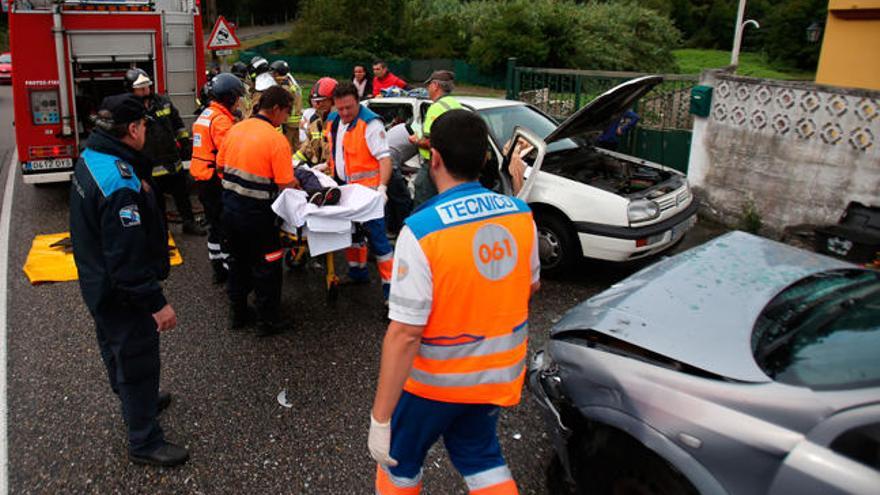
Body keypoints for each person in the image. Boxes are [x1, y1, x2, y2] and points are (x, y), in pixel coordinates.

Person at [368, 109, 540, 494]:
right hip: (496, 375)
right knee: (481, 457)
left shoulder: (422, 231)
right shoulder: (521, 215)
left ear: (435, 159)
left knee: (397, 464)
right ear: (485, 158)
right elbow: (530, 286)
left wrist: (381, 416)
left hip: (434, 384)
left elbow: (405, 334)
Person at [69, 94, 189, 467]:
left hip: (97, 282)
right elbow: (127, 261)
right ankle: (144, 440)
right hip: (122, 294)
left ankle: (136, 402)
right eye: (145, 126)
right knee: (138, 360)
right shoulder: (119, 184)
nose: (147, 132)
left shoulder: (92, 155)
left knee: (114, 347)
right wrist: (157, 303)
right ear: (133, 129)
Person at [218, 85, 300, 336]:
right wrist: (297, 182)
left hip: (230, 209)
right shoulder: (276, 140)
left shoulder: (235, 129)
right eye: (286, 112)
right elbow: (285, 183)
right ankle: (268, 321)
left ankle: (238, 313)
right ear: (276, 109)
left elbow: (220, 166)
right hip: (258, 216)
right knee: (267, 265)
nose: (286, 118)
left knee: (237, 261)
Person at [326, 82, 394, 302]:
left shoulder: (370, 124)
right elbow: (340, 153)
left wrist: (382, 188)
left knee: (379, 243)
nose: (345, 113)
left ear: (358, 102)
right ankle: (357, 272)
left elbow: (385, 159)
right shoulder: (337, 120)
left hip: (370, 195)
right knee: (353, 234)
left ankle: (391, 293)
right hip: (348, 190)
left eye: (349, 107)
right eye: (340, 108)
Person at [125, 68, 206, 236]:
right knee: (155, 202)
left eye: (147, 86)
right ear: (131, 89)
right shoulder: (129, 109)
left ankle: (189, 223)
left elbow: (177, 123)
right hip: (149, 165)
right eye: (140, 88)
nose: (145, 90)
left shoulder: (163, 102)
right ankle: (161, 231)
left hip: (171, 161)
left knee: (182, 196)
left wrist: (184, 142)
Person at [190, 73, 245, 285]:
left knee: (214, 226)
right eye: (237, 97)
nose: (239, 102)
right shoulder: (221, 121)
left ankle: (217, 269)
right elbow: (230, 152)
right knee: (225, 227)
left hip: (203, 178)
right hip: (215, 180)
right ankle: (230, 271)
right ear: (229, 98)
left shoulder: (207, 114)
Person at [411, 70, 463, 207]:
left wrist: (416, 141)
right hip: (452, 166)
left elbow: (431, 142)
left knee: (423, 203)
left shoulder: (436, 108)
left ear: (435, 85)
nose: (428, 89)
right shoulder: (455, 104)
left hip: (433, 165)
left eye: (429, 85)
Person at [384, 122, 417, 235]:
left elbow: (399, 160)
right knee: (403, 199)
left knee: (392, 200)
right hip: (389, 166)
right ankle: (405, 230)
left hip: (385, 165)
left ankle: (392, 229)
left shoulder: (400, 129)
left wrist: (413, 170)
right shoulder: (417, 139)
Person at [270, 60, 304, 151]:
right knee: (296, 145)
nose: (272, 74)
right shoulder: (291, 81)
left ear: (278, 72)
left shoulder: (284, 87)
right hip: (296, 120)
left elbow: (283, 105)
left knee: (287, 145)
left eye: (273, 72)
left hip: (289, 122)